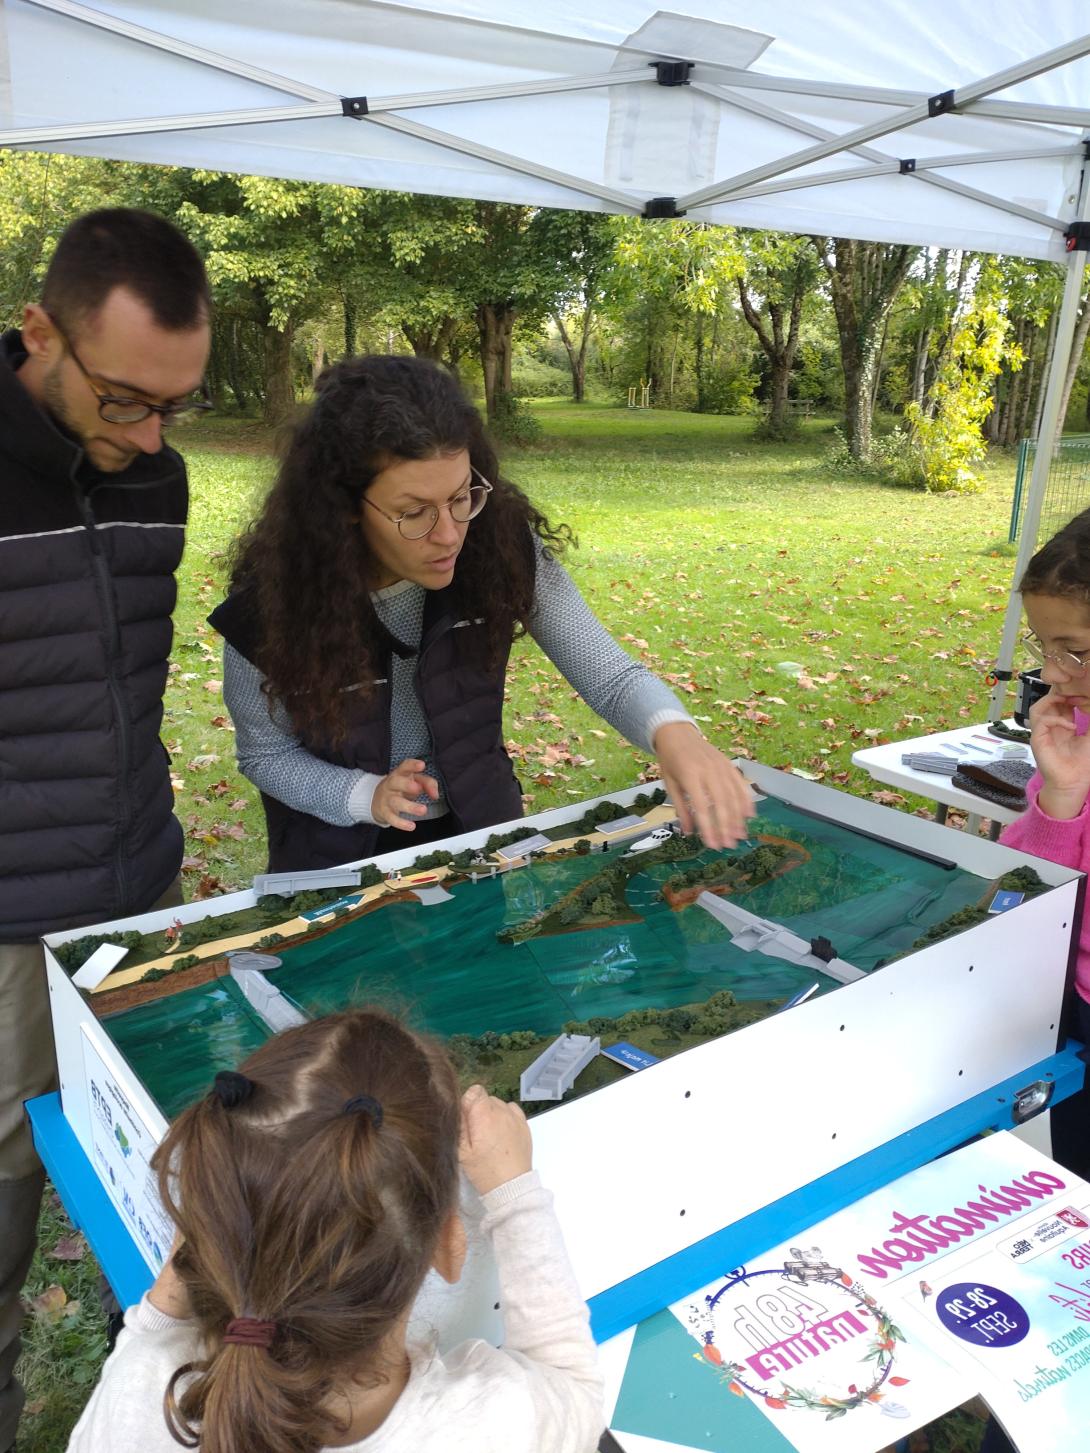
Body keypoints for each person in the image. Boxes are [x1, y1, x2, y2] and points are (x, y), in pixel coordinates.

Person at [210, 354, 753, 872]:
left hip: (480, 837)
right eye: (413, 512)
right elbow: (266, 755)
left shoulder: (500, 550)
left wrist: (676, 735)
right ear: (343, 509)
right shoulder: (269, 610)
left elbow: (608, 673)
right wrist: (364, 796)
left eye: (462, 496)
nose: (449, 534)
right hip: (334, 859)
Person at [0, 208, 211, 1452]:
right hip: (6, 936)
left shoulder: (162, 475)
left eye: (176, 408)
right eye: (126, 401)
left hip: (139, 899)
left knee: (180, 1191)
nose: (150, 438)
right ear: (40, 334)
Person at [66, 1008, 604, 1453]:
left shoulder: (143, 1398)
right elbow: (574, 1386)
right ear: (450, 1244)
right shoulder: (496, 1423)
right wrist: (515, 1193)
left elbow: (140, 1354)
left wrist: (171, 1294)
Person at [998, 506, 1090, 1180]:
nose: (1053, 675)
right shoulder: (1076, 734)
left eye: (1075, 651)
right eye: (1043, 648)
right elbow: (1030, 887)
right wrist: (1059, 798)